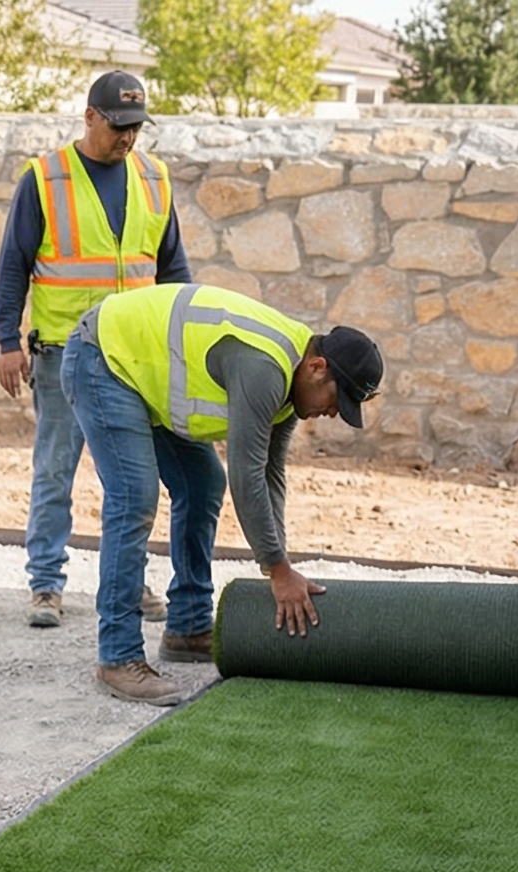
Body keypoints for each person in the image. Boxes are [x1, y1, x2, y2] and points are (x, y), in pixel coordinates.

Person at [63, 282, 384, 704]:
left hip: (144, 376)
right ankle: (118, 658)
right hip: (103, 358)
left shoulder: (292, 386)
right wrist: (277, 571)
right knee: (134, 498)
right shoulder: (265, 368)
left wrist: (281, 566)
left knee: (202, 484)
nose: (331, 413)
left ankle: (188, 627)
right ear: (318, 367)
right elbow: (246, 475)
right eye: (335, 400)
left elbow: (270, 475)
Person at [0, 69, 193, 633]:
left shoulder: (154, 178)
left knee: (130, 479)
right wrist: (8, 341)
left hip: (136, 358)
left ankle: (129, 579)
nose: (128, 138)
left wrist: (184, 340)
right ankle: (46, 584)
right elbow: (13, 265)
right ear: (89, 117)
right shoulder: (45, 179)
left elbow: (173, 268)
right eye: (118, 126)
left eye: (136, 128)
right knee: (55, 469)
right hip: (63, 354)